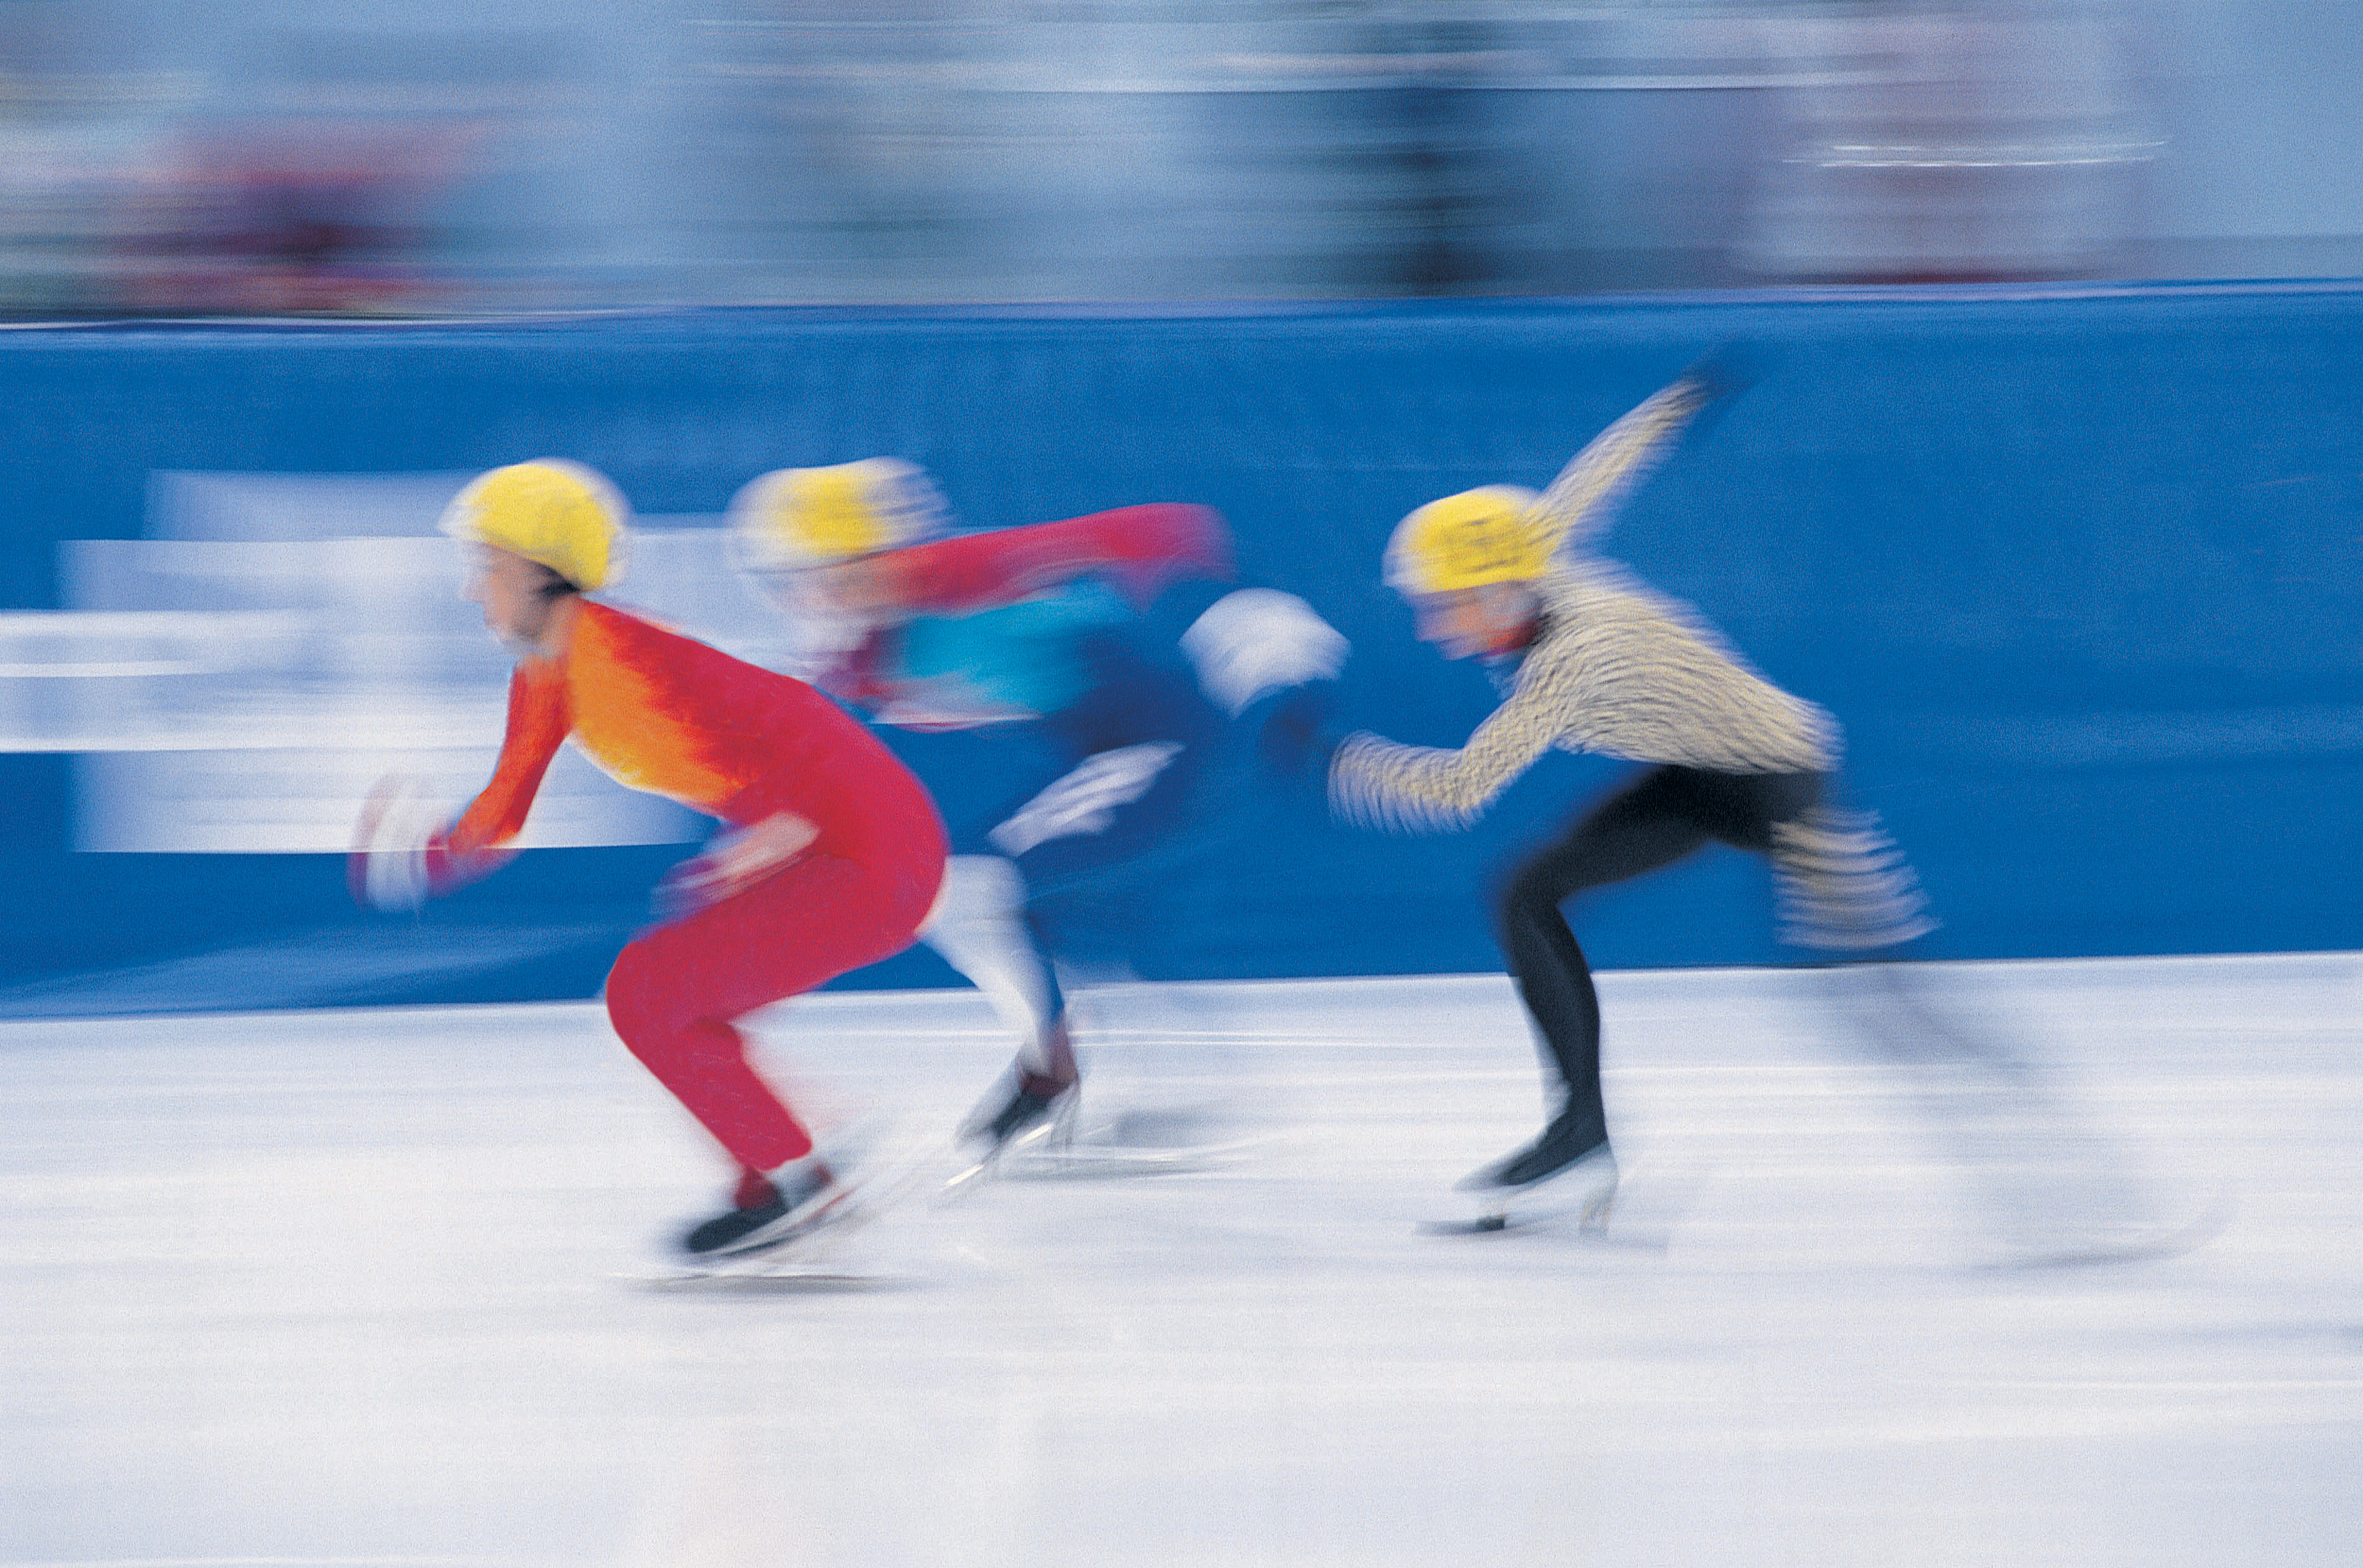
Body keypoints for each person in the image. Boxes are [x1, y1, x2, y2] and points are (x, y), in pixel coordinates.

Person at [1306, 370, 1938, 1220]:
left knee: (1879, 996)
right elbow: (1598, 475)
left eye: (1441, 604)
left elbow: (1459, 788)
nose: (1429, 625)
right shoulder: (1535, 557)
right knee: (1526, 890)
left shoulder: (1570, 663)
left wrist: (1334, 760)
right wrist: (1679, 401)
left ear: (1496, 590)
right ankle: (1581, 1138)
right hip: (1694, 775)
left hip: (1786, 783)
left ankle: (2029, 1141)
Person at [351, 458, 948, 1259]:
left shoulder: (620, 658)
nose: (472, 591)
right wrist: (417, 853)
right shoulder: (549, 674)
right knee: (668, 995)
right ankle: (782, 1177)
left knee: (650, 992)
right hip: (848, 839)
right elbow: (500, 817)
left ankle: (799, 1181)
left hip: (875, 847)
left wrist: (784, 823)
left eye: (486, 567)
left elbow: (784, 712)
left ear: (540, 570)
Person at [730, 458, 1346, 1162]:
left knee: (962, 885)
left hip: (1173, 743)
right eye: (793, 582)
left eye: (821, 573)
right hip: (1115, 748)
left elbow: (1170, 531)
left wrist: (1285, 667)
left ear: (880, 554)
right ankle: (1155, 1086)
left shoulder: (967, 574)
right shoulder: (858, 658)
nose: (808, 597)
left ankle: (1056, 1076)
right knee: (1035, 927)